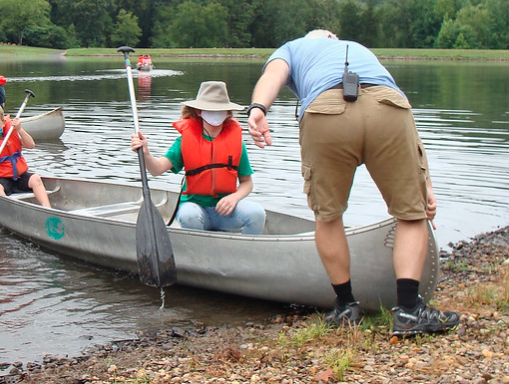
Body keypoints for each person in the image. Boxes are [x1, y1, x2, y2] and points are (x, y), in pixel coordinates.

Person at [246, 29, 460, 336]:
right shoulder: (359, 49)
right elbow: (409, 132)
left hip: (325, 110)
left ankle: (346, 307)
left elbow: (273, 76)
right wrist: (425, 187)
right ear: (332, 38)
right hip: (388, 107)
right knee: (411, 214)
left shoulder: (292, 48)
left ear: (311, 39)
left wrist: (258, 109)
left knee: (328, 216)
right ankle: (410, 311)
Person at [130, 81, 266, 235]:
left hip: (226, 212)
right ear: (198, 111)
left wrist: (235, 197)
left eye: (220, 109)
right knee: (189, 215)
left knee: (257, 214)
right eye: (209, 109)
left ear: (228, 112)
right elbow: (157, 169)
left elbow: (247, 183)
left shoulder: (237, 143)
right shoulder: (184, 141)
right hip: (196, 209)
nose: (215, 113)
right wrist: (146, 153)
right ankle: (198, 248)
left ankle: (243, 250)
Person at [0, 103, 51, 208]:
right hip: (0, 179)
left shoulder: (11, 133)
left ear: (3, 122)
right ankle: (9, 210)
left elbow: (31, 145)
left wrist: (20, 129)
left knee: (36, 178)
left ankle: (47, 208)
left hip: (18, 177)